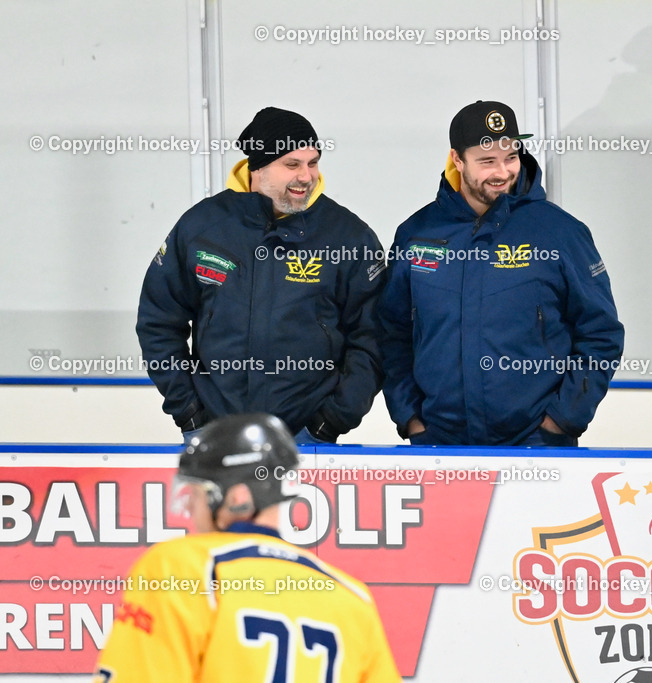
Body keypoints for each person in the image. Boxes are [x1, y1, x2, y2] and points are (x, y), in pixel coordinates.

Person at [378, 100, 624, 445]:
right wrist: (411, 419)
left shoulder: (560, 232)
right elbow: (392, 333)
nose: (502, 172)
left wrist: (561, 421)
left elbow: (601, 334)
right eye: (487, 161)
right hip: (439, 445)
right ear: (457, 160)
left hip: (536, 445)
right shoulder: (416, 233)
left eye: (510, 157)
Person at [137, 107, 385, 445]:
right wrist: (190, 412)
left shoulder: (348, 236)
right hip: (214, 435)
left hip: (307, 439)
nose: (306, 176)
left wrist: (330, 421)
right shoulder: (202, 227)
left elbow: (374, 337)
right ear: (258, 167)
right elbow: (159, 322)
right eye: (292, 165)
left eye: (313, 163)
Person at [93, 413, 401, 682]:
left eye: (198, 494)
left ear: (238, 498)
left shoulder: (178, 569)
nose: (190, 509)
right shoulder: (352, 597)